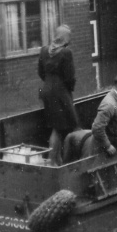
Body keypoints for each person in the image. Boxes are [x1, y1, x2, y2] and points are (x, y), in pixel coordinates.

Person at [38, 24, 80, 165]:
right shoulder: (66, 52)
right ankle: (54, 161)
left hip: (46, 90)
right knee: (60, 127)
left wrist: (49, 83)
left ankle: (57, 159)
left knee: (57, 125)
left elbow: (41, 72)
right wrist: (67, 89)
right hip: (60, 92)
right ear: (66, 38)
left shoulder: (44, 50)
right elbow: (70, 77)